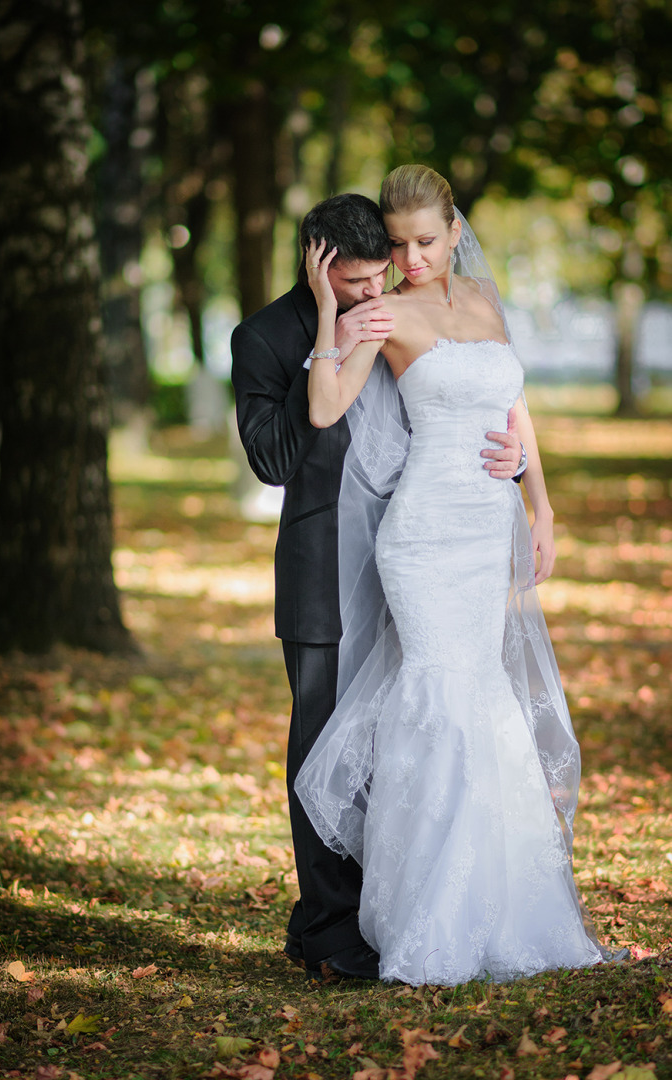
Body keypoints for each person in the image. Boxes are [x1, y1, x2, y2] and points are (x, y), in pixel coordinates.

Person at [294, 165, 607, 986]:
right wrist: (329, 310)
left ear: (456, 231)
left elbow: (515, 408)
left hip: (486, 528)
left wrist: (541, 506)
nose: (411, 259)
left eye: (426, 241)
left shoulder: (485, 302)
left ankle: (504, 904)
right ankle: (425, 913)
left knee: (487, 697)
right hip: (425, 536)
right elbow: (325, 406)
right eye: (399, 244)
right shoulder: (384, 313)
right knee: (439, 695)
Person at [231, 193, 523, 981]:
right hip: (324, 567)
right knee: (324, 741)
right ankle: (328, 927)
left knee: (403, 733)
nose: (372, 293)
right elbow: (272, 461)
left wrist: (516, 459)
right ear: (315, 261)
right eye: (353, 281)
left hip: (422, 556)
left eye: (377, 277)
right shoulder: (264, 336)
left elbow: (456, 402)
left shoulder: (403, 306)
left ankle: (387, 908)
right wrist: (330, 332)